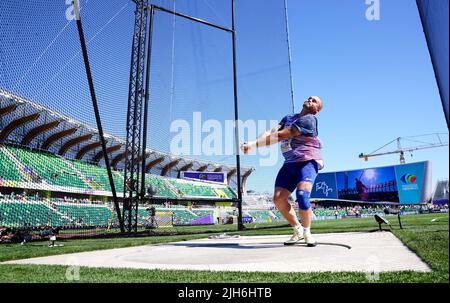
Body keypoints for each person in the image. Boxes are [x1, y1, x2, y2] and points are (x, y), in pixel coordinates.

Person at [241, 96, 324, 247]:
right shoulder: (289, 117)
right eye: (309, 98)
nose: (310, 99)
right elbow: (271, 132)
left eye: (314, 101)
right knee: (278, 198)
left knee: (302, 195)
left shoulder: (309, 120)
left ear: (316, 110)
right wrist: (252, 142)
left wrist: (253, 145)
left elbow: (280, 136)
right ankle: (297, 230)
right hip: (290, 163)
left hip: (307, 161)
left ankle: (307, 233)